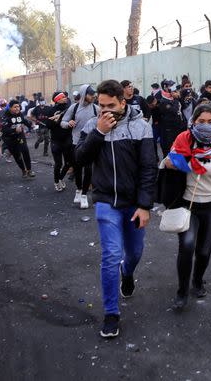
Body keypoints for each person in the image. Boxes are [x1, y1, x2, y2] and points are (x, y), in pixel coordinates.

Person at [74, 79, 157, 339]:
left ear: (124, 102)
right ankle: (111, 313)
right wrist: (98, 132)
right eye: (101, 105)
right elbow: (79, 159)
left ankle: (128, 273)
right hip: (106, 202)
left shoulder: (140, 126)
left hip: (134, 204)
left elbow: (148, 169)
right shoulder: (92, 124)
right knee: (110, 255)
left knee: (134, 252)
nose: (105, 110)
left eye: (111, 105)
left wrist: (145, 206)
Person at [160, 103, 211, 310]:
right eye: (201, 122)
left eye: (210, 122)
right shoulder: (182, 140)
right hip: (188, 205)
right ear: (193, 122)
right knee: (187, 246)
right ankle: (182, 290)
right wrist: (167, 163)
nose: (205, 125)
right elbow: (168, 161)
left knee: (203, 252)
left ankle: (197, 280)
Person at [61, 84, 98, 209]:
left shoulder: (96, 109)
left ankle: (83, 195)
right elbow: (62, 122)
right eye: (90, 94)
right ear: (83, 95)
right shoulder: (74, 107)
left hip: (90, 144)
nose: (93, 96)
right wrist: (68, 123)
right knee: (77, 169)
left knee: (88, 170)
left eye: (93, 94)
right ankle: (78, 189)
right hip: (76, 143)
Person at [40, 92, 73, 192]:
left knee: (68, 162)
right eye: (63, 97)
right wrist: (57, 120)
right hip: (56, 140)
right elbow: (48, 125)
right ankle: (56, 182)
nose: (65, 98)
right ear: (57, 99)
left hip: (67, 139)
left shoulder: (70, 108)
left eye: (65, 96)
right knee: (58, 163)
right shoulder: (51, 110)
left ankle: (60, 178)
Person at [1, 100, 36, 179]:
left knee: (25, 151)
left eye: (18, 107)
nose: (17, 108)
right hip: (10, 139)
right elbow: (4, 129)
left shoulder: (19, 114)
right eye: (15, 107)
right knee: (17, 156)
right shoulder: (5, 116)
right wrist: (14, 130)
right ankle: (23, 170)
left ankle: (29, 170)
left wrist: (31, 126)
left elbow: (23, 121)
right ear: (10, 108)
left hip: (20, 136)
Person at [152, 80, 187, 157]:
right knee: (168, 148)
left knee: (179, 148)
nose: (173, 88)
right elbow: (173, 110)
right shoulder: (161, 98)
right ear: (165, 87)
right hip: (168, 128)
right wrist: (176, 99)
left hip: (179, 126)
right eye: (171, 86)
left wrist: (179, 98)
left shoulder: (175, 96)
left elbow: (183, 106)